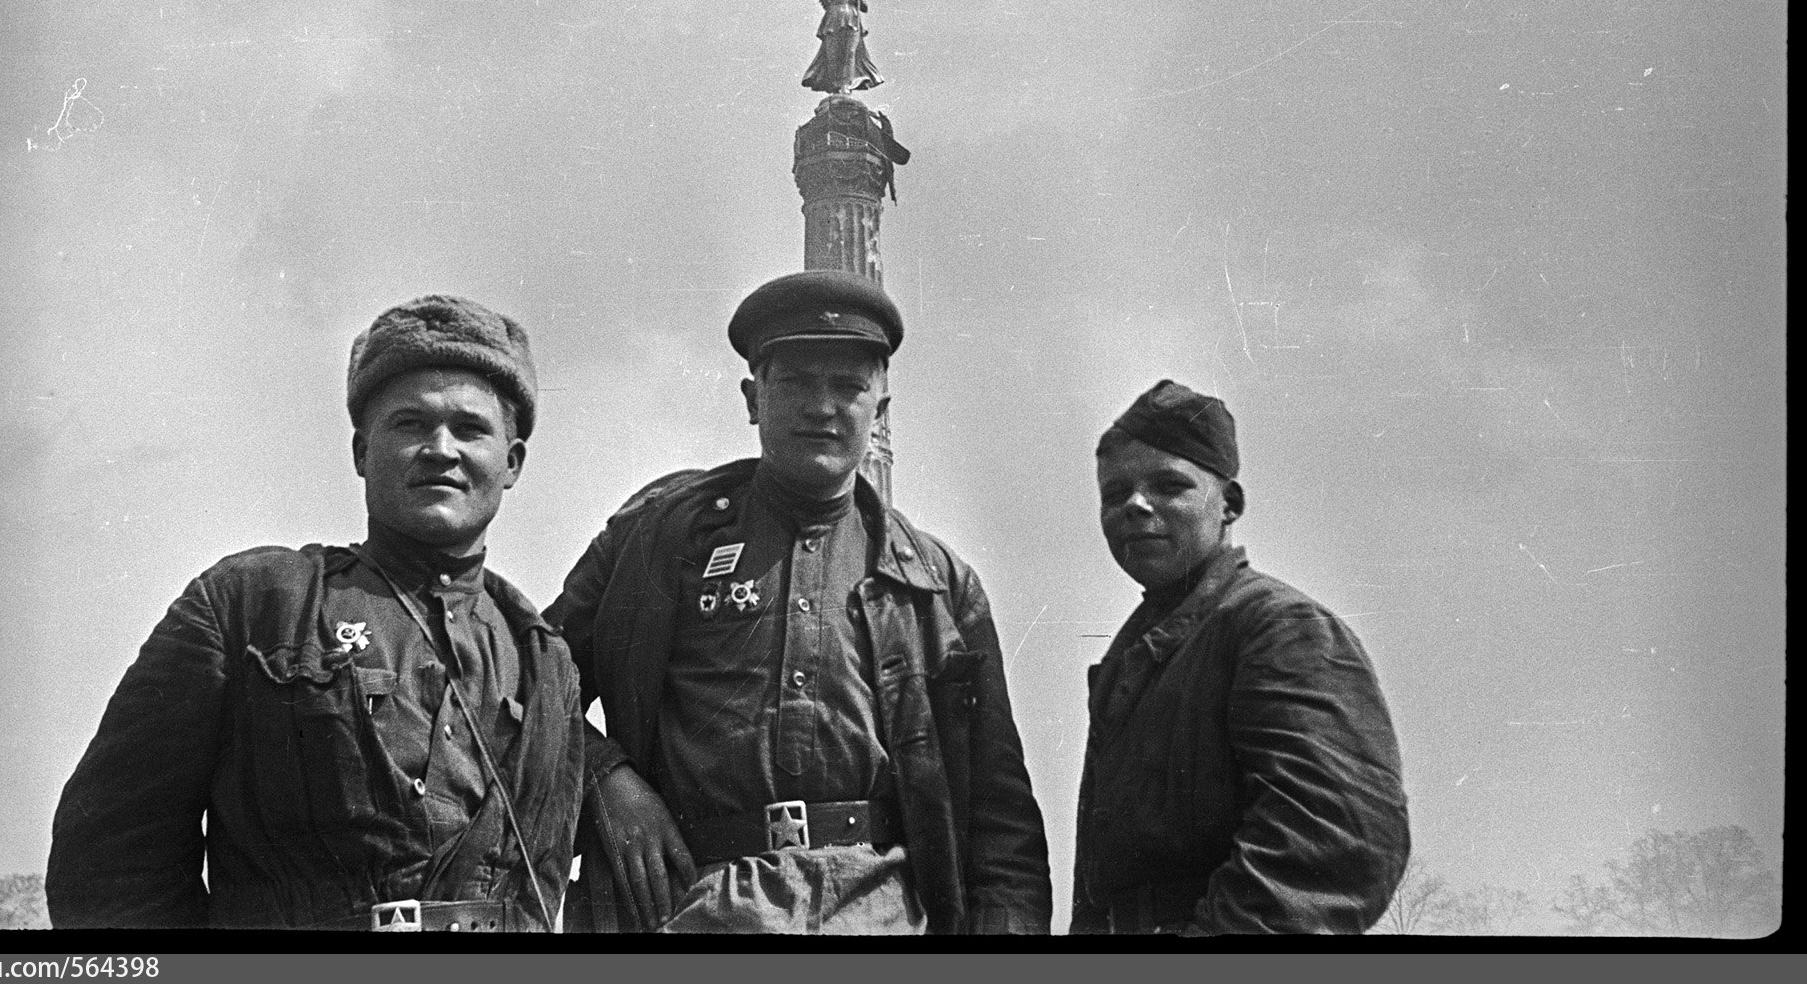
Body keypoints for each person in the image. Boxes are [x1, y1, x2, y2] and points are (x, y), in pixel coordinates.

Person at [47, 295, 584, 931]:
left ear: (512, 463)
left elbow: (541, 883)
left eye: (470, 429)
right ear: (362, 452)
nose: (441, 448)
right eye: (409, 424)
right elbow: (110, 856)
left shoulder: (542, 659)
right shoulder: (253, 601)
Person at [548, 270, 1050, 934]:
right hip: (696, 904)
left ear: (881, 409)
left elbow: (999, 820)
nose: (822, 406)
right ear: (753, 397)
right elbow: (530, 683)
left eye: (848, 386)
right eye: (796, 382)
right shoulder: (661, 534)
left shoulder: (935, 583)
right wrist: (606, 777)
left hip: (879, 910)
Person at [1070, 380, 1410, 935]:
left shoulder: (1279, 628)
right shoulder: (1137, 654)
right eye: (1115, 493)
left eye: (1169, 486)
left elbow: (1336, 843)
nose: (1134, 506)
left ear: (1229, 504)